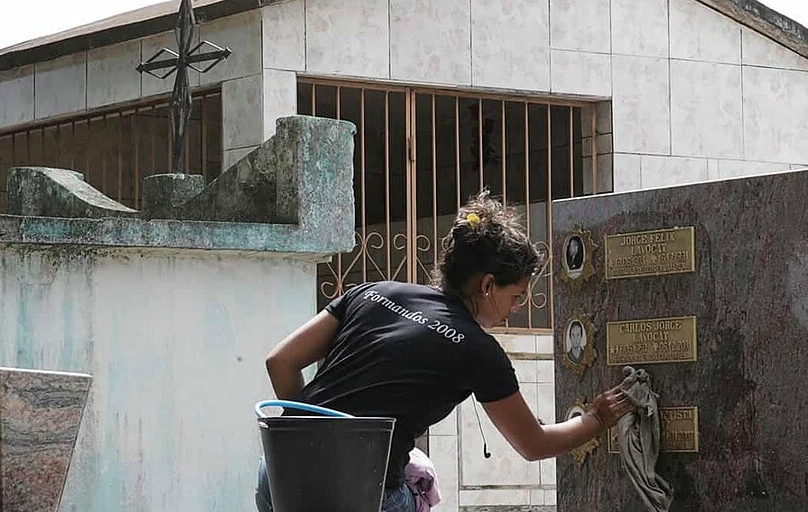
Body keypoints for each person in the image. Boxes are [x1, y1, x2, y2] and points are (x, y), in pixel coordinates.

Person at [256, 191, 633, 512]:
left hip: (280, 478)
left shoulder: (374, 291)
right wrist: (597, 418)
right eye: (516, 296)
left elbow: (281, 361)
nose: (517, 307)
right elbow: (534, 444)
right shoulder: (478, 350)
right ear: (487, 285)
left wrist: (312, 439)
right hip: (360, 494)